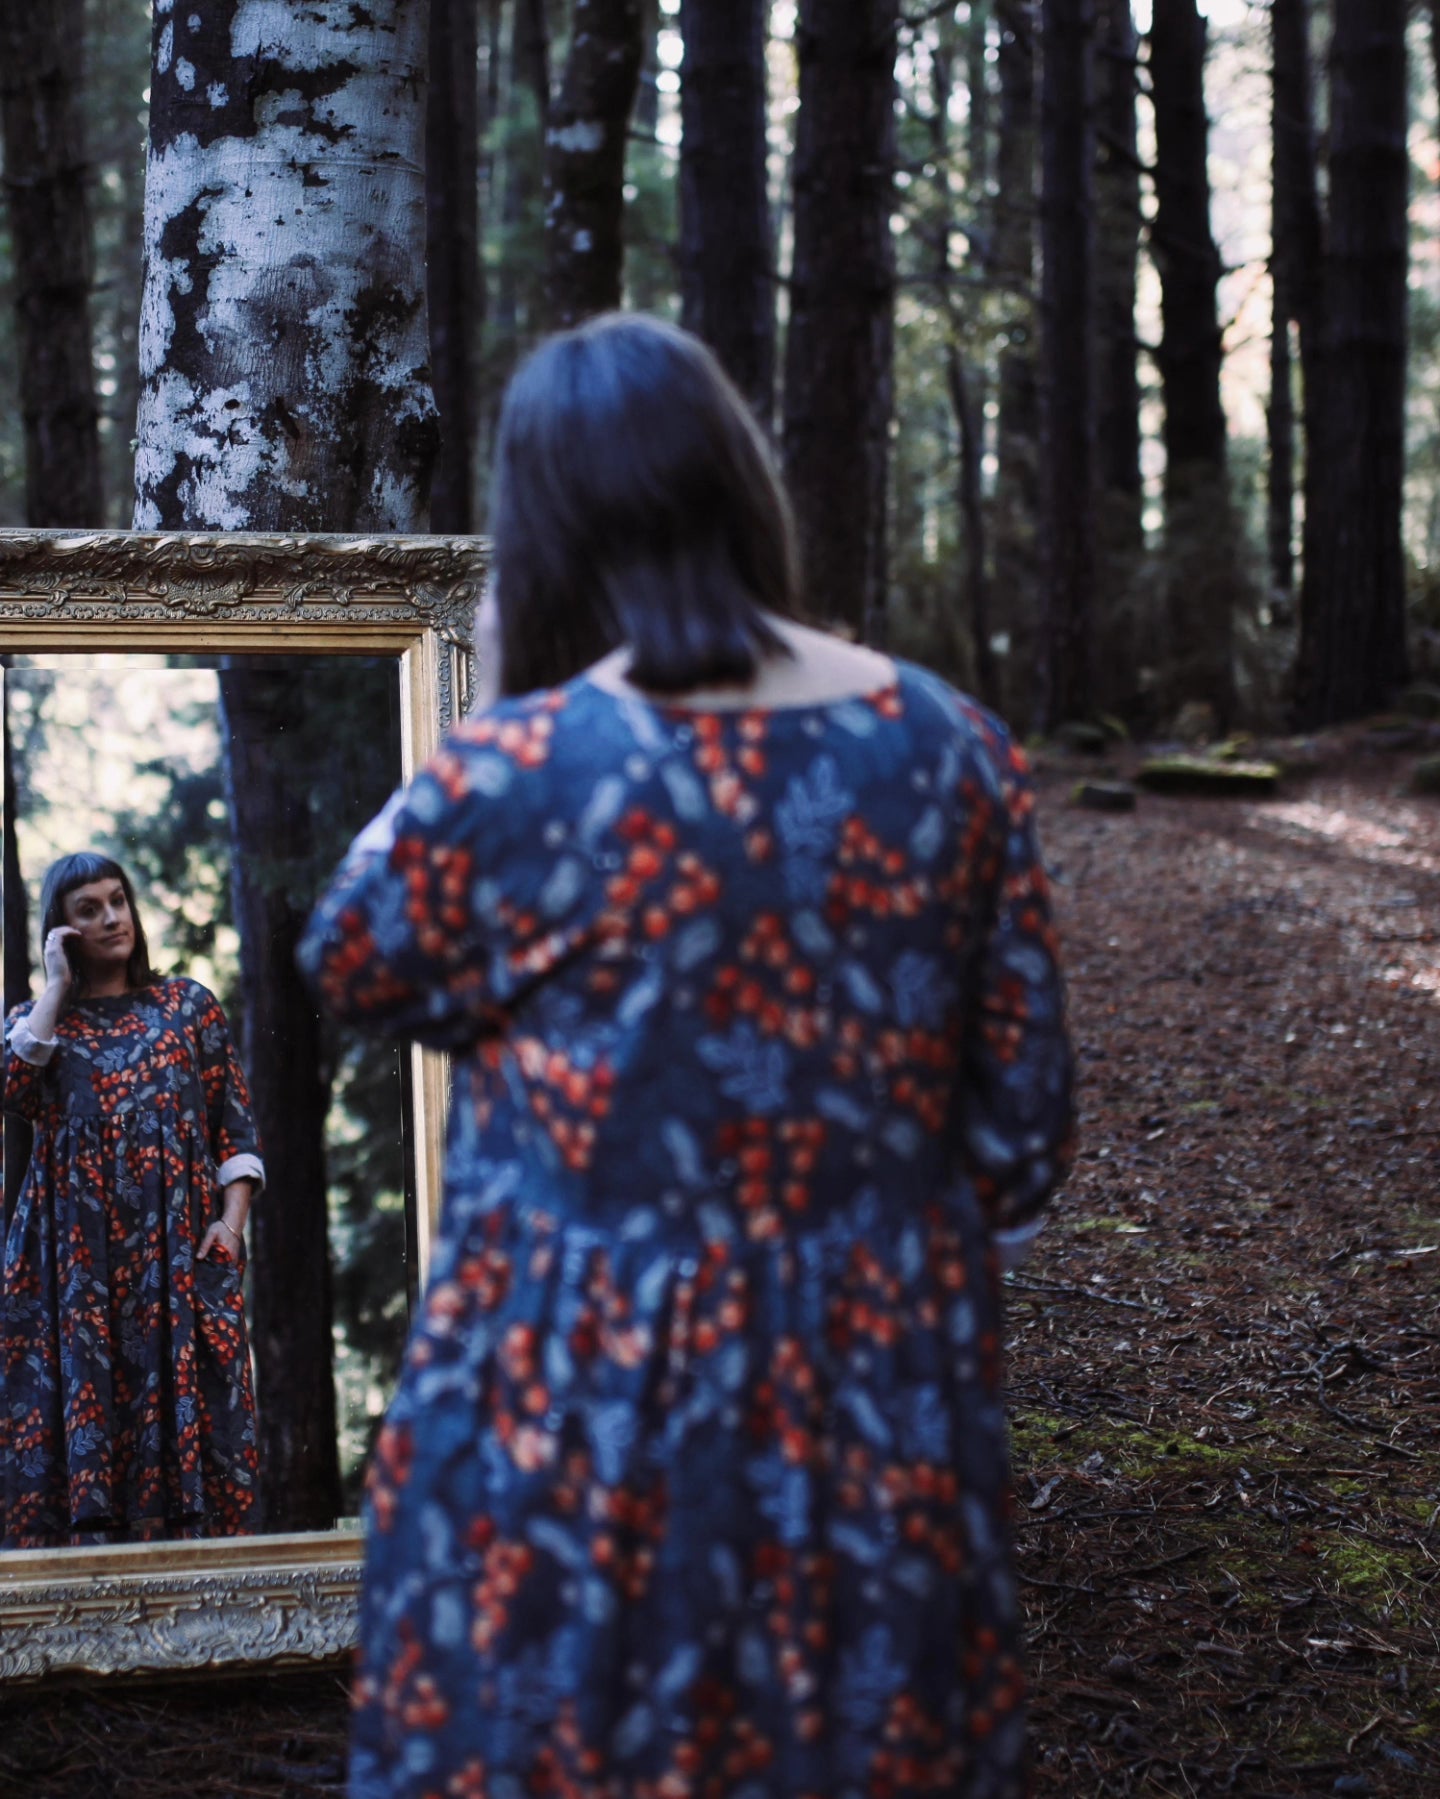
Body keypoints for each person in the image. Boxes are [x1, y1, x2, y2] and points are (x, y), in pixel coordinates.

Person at [301, 313, 1074, 1799]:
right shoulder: (955, 750)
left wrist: (512, 690)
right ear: (742, 485)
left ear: (538, 532)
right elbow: (1025, 1137)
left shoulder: (513, 779)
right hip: (875, 1414)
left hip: (562, 1424)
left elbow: (351, 951)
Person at [1, 852, 264, 1547]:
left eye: (117, 900)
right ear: (61, 929)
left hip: (173, 1266)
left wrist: (230, 1228)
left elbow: (235, 1131)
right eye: (88, 908)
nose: (111, 917)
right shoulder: (38, 1024)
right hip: (72, 1274)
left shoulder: (186, 1007)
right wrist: (56, 990)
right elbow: (12, 1091)